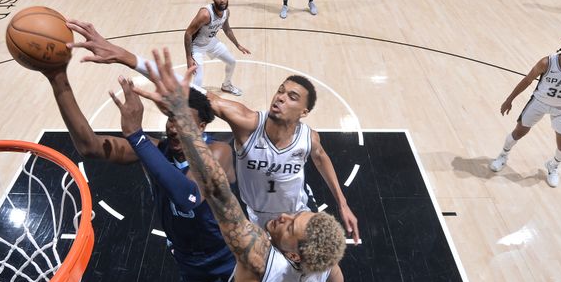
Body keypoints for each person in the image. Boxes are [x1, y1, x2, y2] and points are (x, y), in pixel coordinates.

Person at [134, 49, 346, 282]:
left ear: (295, 254)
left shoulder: (256, 257)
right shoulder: (321, 267)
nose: (282, 218)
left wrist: (183, 118)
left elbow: (216, 189)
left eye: (289, 224)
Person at [58, 21, 360, 242]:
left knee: (324, 273)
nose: (280, 97)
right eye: (280, 91)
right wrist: (127, 57)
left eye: (292, 97)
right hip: (258, 219)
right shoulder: (244, 121)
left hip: (298, 211)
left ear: (304, 112)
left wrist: (342, 203)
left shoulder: (309, 138)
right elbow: (191, 91)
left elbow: (320, 158)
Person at [44, 20, 237, 282]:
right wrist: (58, 78)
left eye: (183, 121)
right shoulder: (153, 150)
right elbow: (90, 147)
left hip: (229, 251)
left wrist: (136, 135)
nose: (173, 127)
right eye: (171, 118)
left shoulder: (219, 152)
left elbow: (190, 197)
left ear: (203, 126)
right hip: (188, 257)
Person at [489, 35, 561, 187]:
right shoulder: (547, 62)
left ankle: (553, 166)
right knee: (518, 132)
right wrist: (509, 99)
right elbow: (527, 80)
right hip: (539, 102)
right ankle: (503, 155)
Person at [184, 0, 250, 96]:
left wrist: (238, 45)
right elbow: (188, 33)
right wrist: (189, 58)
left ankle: (226, 85)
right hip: (197, 47)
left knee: (231, 62)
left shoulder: (226, 12)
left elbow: (227, 29)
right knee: (198, 79)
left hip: (211, 42)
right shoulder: (205, 14)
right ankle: (192, 104)